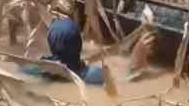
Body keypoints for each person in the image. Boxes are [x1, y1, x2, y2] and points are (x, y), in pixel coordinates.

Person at [22, 18, 155, 85]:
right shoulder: (95, 75)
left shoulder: (39, 69)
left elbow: (19, 70)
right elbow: (125, 81)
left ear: (51, 45)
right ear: (80, 45)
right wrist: (136, 61)